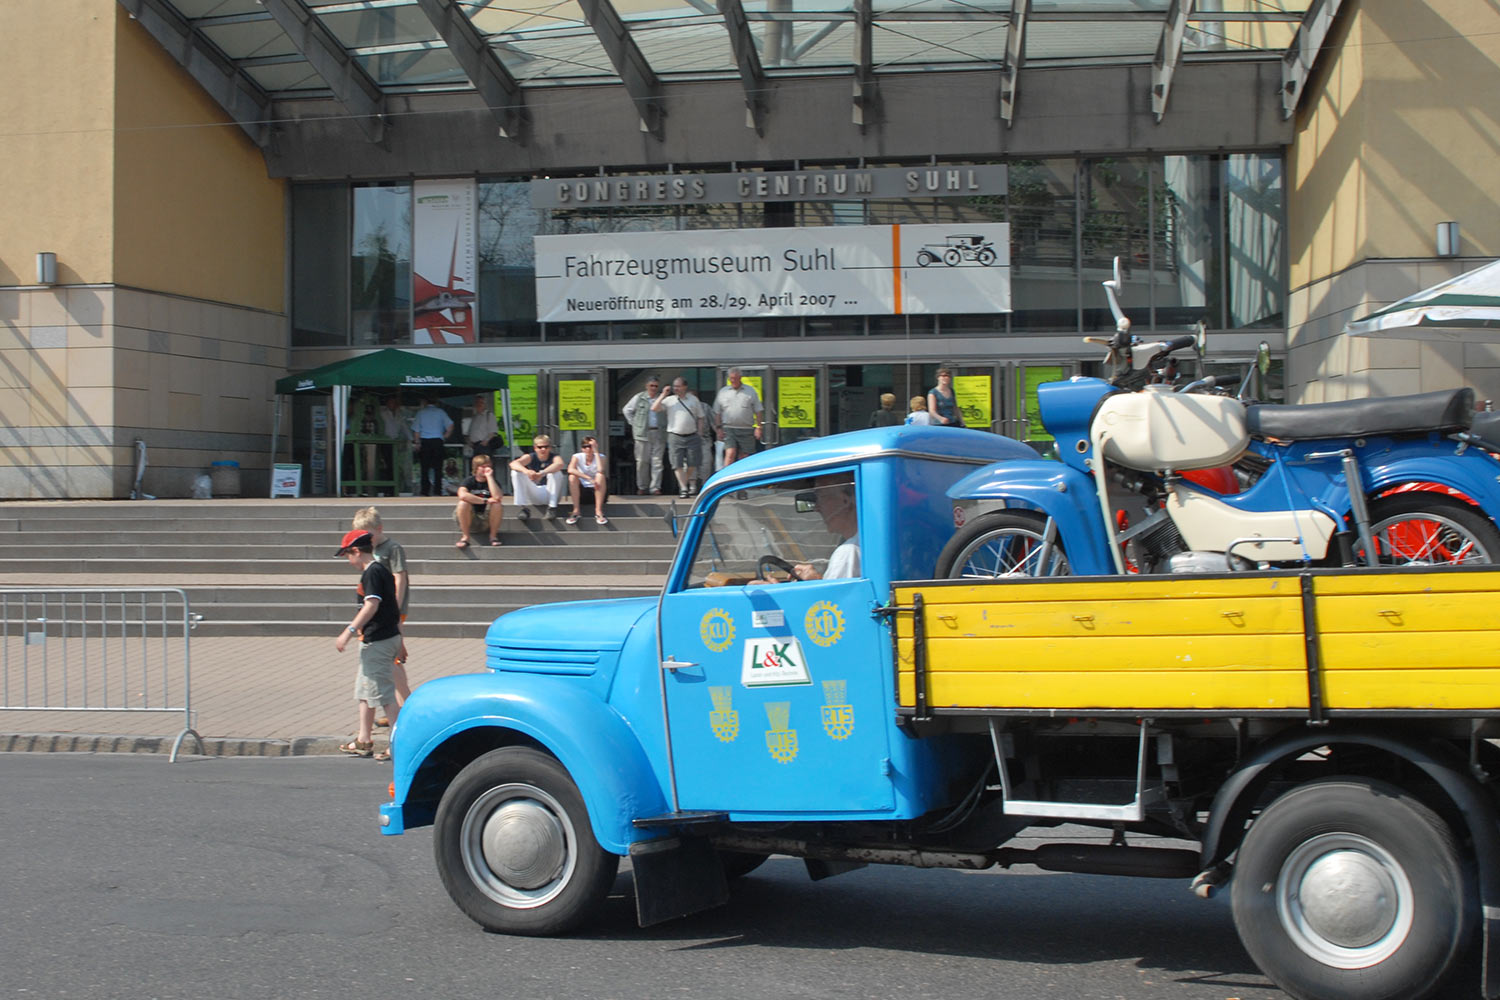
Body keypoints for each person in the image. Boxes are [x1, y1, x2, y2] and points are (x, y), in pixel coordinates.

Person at [332, 528, 402, 761]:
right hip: (379, 639)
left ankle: (396, 742)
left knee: (384, 695)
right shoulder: (380, 570)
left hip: (378, 641)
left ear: (356, 551)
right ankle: (364, 739)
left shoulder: (372, 573)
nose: (348, 561)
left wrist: (348, 632)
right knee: (365, 690)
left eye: (347, 556)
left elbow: (371, 605)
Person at [353, 506, 410, 727]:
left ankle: (406, 704)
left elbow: (400, 579)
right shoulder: (370, 551)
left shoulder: (392, 548)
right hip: (377, 614)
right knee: (389, 660)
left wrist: (393, 609)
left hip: (390, 611)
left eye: (367, 535)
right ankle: (396, 705)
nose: (364, 540)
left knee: (392, 660)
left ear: (379, 529)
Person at [793, 477, 861, 580]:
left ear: (845, 500)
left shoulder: (848, 552)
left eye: (820, 497)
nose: (816, 507)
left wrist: (814, 581)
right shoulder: (862, 544)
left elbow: (833, 596)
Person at [655, 375, 709, 498]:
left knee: (692, 463)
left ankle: (683, 482)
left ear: (685, 387)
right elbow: (655, 408)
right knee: (677, 464)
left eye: (678, 386)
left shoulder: (693, 399)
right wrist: (663, 394)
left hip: (692, 435)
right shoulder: (669, 400)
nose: (676, 389)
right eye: (675, 386)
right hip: (675, 435)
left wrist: (700, 432)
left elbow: (701, 416)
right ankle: (684, 488)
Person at [622, 376, 666, 494]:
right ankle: (642, 486)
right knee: (642, 461)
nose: (653, 388)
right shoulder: (639, 397)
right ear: (646, 386)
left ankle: (655, 488)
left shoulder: (662, 398)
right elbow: (626, 410)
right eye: (651, 385)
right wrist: (634, 424)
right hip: (642, 434)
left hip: (658, 432)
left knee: (657, 462)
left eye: (656, 386)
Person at [712, 367, 763, 466]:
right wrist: (718, 428)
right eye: (731, 378)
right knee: (730, 453)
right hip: (729, 428)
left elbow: (758, 410)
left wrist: (759, 427)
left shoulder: (750, 391)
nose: (733, 380)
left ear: (740, 377)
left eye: (735, 378)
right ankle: (726, 477)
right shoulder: (723, 392)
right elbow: (717, 412)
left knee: (745, 456)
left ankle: (745, 477)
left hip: (746, 429)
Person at [509, 434, 565, 520]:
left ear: (550, 448)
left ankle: (552, 508)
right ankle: (523, 508)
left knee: (556, 473)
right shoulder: (531, 456)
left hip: (551, 494)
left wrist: (542, 473)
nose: (543, 449)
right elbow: (513, 464)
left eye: (546, 447)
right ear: (535, 448)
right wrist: (527, 471)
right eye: (540, 447)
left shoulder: (554, 457)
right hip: (535, 492)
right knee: (515, 473)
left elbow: (560, 464)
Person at [454, 453, 504, 547]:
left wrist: (489, 477)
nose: (486, 469)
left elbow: (498, 497)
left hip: (486, 519)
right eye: (483, 466)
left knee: (497, 504)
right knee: (463, 504)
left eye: (489, 466)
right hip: (471, 518)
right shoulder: (469, 481)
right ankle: (465, 537)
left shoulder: (493, 482)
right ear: (476, 468)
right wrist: (485, 500)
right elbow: (462, 495)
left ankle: (493, 537)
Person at [411, 396, 454, 496]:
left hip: (425, 441)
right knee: (438, 468)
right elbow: (451, 425)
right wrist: (444, 436)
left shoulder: (421, 413)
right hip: (437, 441)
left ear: (426, 402)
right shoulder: (441, 412)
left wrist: (417, 442)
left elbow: (416, 430)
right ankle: (437, 491)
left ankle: (425, 491)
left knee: (424, 468)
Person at [566, 436, 609, 525]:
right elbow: (570, 469)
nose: (588, 449)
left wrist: (596, 452)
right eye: (585, 446)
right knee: (572, 477)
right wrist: (588, 478)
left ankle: (598, 511)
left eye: (590, 446)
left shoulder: (601, 457)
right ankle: (576, 510)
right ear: (582, 448)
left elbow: (600, 470)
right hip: (582, 491)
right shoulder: (577, 457)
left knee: (600, 476)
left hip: (597, 490)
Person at [379, 396, 413, 494]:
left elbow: (404, 428)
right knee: (387, 465)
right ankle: (387, 489)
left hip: (395, 443)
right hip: (385, 442)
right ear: (387, 404)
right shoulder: (383, 414)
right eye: (391, 403)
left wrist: (411, 439)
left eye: (394, 403)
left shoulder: (399, 415)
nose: (393, 405)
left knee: (395, 465)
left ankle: (394, 488)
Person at [465, 392, 502, 459]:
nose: (479, 404)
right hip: (474, 446)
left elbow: (493, 432)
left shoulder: (489, 415)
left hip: (484, 446)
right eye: (477, 403)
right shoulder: (475, 417)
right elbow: (470, 431)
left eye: (481, 403)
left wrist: (484, 442)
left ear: (485, 405)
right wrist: (469, 442)